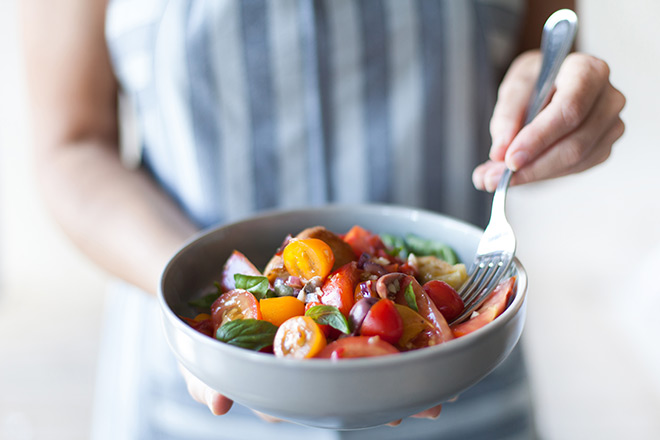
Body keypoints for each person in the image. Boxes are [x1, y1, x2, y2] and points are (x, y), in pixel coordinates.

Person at [22, 0, 625, 438]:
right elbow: (71, 146)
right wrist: (202, 315)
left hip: (461, 383)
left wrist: (555, 107)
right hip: (196, 406)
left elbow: (539, 52)